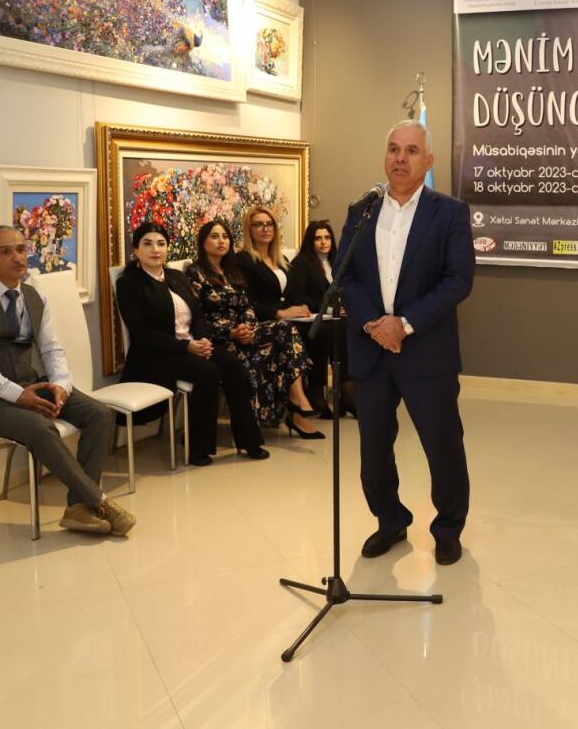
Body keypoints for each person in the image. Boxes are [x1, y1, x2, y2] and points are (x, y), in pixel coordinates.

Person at [335, 119, 475, 566]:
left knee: (443, 445)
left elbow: (458, 281)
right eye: (393, 149)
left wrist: (405, 324)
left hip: (427, 351)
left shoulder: (449, 212)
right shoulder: (362, 212)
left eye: (411, 150)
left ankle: (448, 528)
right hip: (372, 350)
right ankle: (390, 520)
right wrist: (374, 325)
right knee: (374, 448)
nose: (400, 158)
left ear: (428, 160)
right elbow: (345, 276)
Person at [0, 226, 135, 535]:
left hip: (31, 385)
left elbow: (51, 348)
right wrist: (15, 394)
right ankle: (99, 501)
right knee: (40, 427)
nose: (17, 258)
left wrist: (60, 385)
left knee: (99, 413)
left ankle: (78, 509)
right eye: (6, 252)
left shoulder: (34, 296)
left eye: (21, 249)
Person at [115, 222, 268, 465]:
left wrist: (203, 339)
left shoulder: (175, 277)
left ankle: (249, 440)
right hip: (157, 354)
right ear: (136, 249)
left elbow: (197, 316)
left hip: (191, 344)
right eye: (148, 244)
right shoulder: (129, 283)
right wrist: (186, 347)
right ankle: (198, 448)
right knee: (208, 372)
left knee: (233, 366)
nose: (155, 249)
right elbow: (142, 333)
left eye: (161, 244)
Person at [184, 221, 324, 441]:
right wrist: (232, 332)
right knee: (274, 350)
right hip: (218, 339)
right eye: (214, 236)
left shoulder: (231, 271)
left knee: (285, 329)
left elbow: (247, 306)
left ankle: (296, 398)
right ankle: (291, 410)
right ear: (203, 242)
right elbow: (197, 316)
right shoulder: (195, 272)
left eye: (225, 237)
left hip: (245, 332)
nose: (221, 241)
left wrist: (248, 327)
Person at [287, 220, 356, 420]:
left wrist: (345, 307)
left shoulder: (337, 262)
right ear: (310, 241)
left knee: (347, 327)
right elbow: (299, 296)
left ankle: (347, 391)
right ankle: (318, 393)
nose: (324, 242)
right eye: (318, 238)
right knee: (326, 332)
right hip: (310, 319)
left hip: (335, 319)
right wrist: (330, 309)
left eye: (327, 237)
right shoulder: (301, 263)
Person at [235, 205, 310, 323]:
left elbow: (291, 293)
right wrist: (278, 313)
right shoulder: (244, 259)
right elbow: (246, 301)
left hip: (288, 320)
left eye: (270, 224)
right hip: (263, 322)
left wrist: (301, 307)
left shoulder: (282, 260)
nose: (265, 229)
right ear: (249, 230)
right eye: (259, 224)